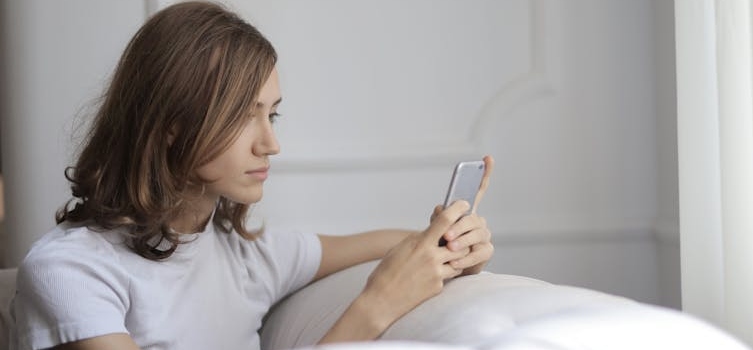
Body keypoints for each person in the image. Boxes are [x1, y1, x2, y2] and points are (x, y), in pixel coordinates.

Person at [10, 2, 494, 350]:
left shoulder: (250, 259)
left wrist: (450, 242)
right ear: (171, 125)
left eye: (272, 115)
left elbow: (386, 242)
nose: (270, 143)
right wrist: (375, 307)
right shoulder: (71, 271)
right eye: (244, 115)